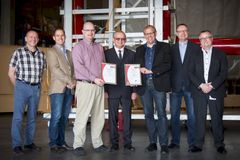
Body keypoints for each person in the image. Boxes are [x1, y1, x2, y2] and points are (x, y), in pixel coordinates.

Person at [72, 22, 108, 156]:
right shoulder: (78, 47)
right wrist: (94, 78)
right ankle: (78, 145)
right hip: (85, 85)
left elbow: (103, 65)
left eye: (92, 30)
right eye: (87, 30)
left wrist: (104, 80)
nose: (90, 32)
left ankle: (97, 143)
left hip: (99, 86)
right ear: (82, 31)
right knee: (82, 116)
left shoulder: (99, 47)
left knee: (99, 117)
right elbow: (79, 67)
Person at [188, 30, 228, 154]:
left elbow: (223, 73)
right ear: (199, 42)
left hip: (215, 91)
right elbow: (190, 73)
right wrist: (201, 85)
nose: (205, 41)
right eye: (202, 39)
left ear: (212, 39)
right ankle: (198, 144)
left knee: (216, 118)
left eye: (207, 38)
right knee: (199, 118)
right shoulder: (194, 55)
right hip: (199, 91)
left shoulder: (220, 54)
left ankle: (219, 144)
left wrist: (212, 86)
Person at [134, 25, 171, 154]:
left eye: (151, 33)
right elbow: (135, 67)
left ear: (155, 33)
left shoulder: (165, 47)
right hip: (144, 85)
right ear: (144, 35)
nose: (149, 36)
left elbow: (168, 64)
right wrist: (138, 69)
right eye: (146, 34)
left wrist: (152, 71)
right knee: (148, 115)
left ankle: (164, 143)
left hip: (158, 84)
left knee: (161, 114)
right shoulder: (139, 50)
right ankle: (152, 143)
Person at [8, 30, 46, 154]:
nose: (33, 39)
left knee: (32, 118)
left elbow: (43, 73)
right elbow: (11, 73)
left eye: (35, 37)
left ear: (38, 39)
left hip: (35, 88)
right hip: (22, 86)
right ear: (26, 38)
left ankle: (29, 143)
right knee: (18, 117)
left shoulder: (41, 55)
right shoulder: (18, 53)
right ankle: (17, 145)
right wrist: (18, 86)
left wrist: (38, 86)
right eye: (30, 37)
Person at [168, 24, 200, 151]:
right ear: (176, 33)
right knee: (174, 116)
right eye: (180, 31)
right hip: (174, 86)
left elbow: (199, 67)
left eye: (185, 31)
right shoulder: (171, 48)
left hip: (191, 86)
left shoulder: (196, 48)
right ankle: (175, 142)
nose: (182, 33)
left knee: (192, 116)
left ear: (188, 32)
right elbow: (168, 67)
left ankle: (192, 143)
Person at [104, 31, 137, 152]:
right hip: (112, 90)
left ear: (125, 40)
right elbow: (103, 73)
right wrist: (105, 90)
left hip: (127, 90)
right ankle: (114, 143)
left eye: (123, 39)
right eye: (118, 39)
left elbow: (134, 74)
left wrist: (134, 91)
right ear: (113, 40)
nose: (120, 41)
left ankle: (128, 143)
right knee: (112, 118)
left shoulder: (132, 54)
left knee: (127, 117)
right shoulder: (106, 54)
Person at [46, 28, 76, 152]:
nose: (60, 37)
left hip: (69, 89)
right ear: (54, 37)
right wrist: (69, 81)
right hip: (58, 88)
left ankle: (61, 142)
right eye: (57, 35)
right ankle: (53, 143)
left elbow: (73, 70)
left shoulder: (69, 53)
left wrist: (73, 81)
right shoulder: (51, 51)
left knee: (64, 117)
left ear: (65, 37)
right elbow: (55, 69)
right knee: (56, 116)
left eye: (62, 35)